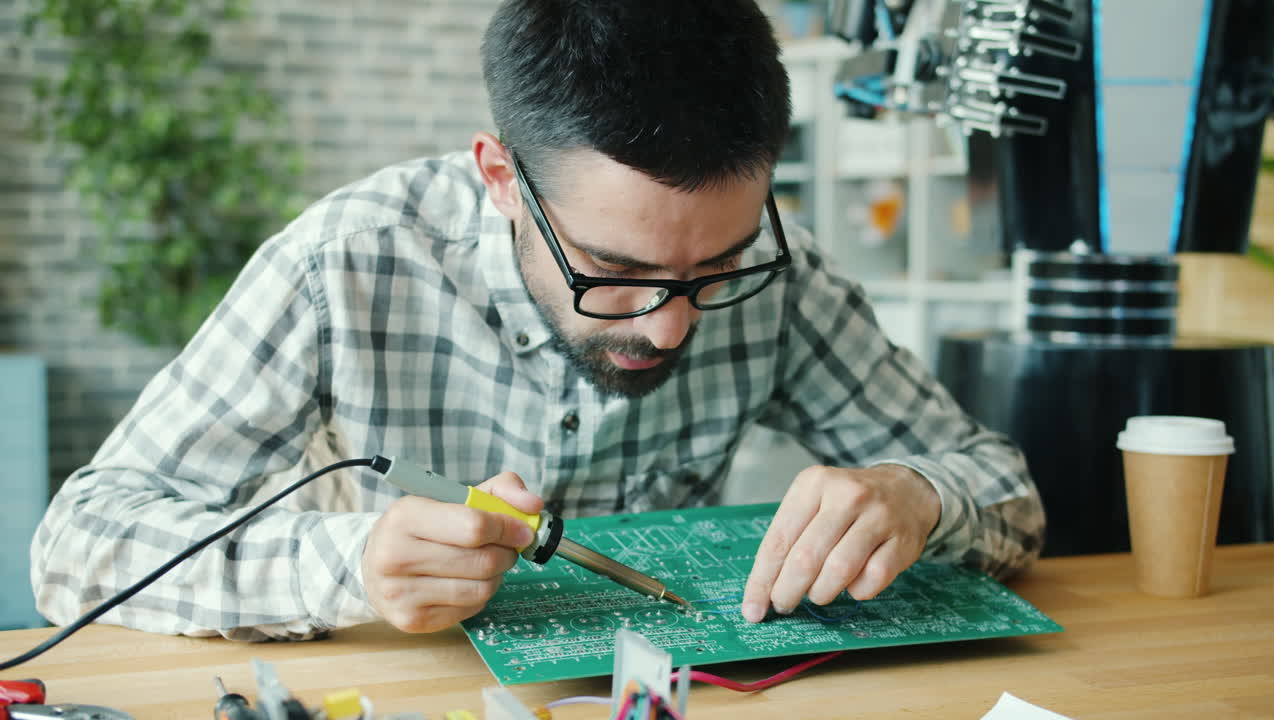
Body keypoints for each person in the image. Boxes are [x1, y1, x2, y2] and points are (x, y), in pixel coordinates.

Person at [31, 0, 1044, 641]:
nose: (670, 327)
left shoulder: (785, 272)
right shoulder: (347, 257)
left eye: (716, 266)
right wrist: (344, 567)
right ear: (500, 178)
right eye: (613, 270)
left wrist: (913, 494)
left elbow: (1004, 492)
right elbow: (77, 546)